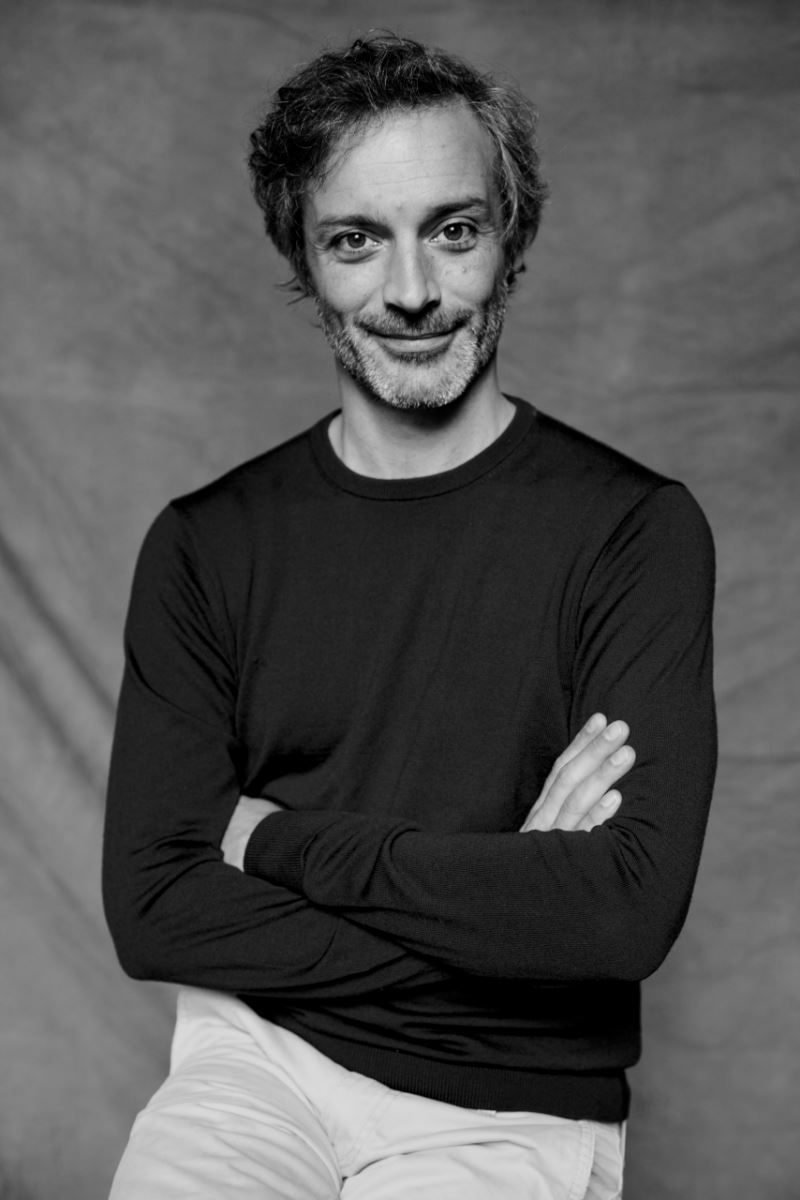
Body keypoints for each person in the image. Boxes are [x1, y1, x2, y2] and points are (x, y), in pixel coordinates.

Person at [103, 32, 717, 1200]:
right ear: (303, 255)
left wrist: (273, 843)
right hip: (258, 1061)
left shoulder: (633, 531)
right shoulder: (205, 544)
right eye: (354, 240)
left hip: (510, 1099)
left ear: (509, 234)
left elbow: (616, 918)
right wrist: (503, 907)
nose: (411, 291)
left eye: (452, 230)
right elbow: (154, 912)